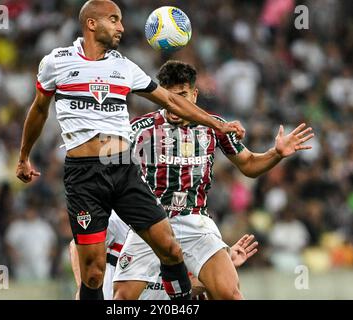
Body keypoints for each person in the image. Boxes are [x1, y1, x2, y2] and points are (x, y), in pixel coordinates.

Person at [15, 0, 245, 300]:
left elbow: (172, 102)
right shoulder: (56, 63)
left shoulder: (124, 67)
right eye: (114, 20)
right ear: (92, 24)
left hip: (123, 169)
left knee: (170, 247)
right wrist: (23, 155)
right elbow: (39, 110)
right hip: (84, 177)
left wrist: (215, 124)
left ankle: (182, 304)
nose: (121, 27)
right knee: (94, 273)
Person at [111, 60, 314, 300]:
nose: (175, 104)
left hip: (194, 222)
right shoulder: (140, 128)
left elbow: (249, 165)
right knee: (122, 299)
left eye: (183, 95)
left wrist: (276, 153)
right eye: (170, 96)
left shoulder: (214, 127)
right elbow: (109, 164)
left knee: (230, 294)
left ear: (195, 94)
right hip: (152, 222)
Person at [69, 211, 258, 299]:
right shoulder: (121, 217)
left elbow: (189, 287)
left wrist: (222, 268)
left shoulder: (187, 227)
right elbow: (77, 246)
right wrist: (84, 289)